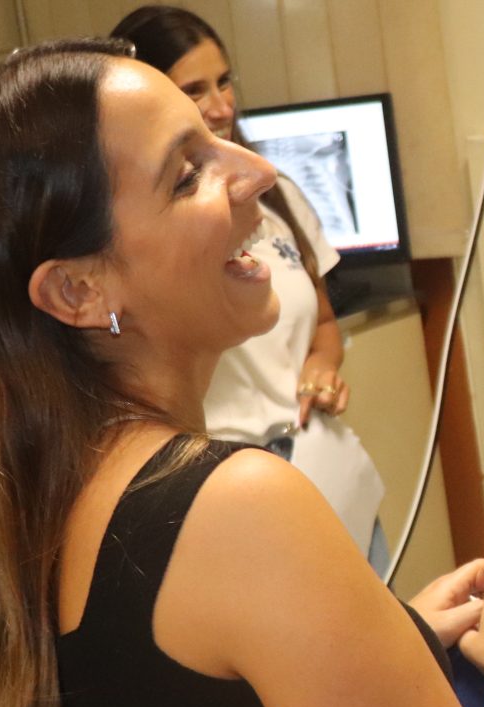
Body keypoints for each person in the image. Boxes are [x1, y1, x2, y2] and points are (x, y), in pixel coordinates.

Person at [0, 40, 484, 707]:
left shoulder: (5, 533)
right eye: (187, 175)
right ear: (79, 290)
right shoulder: (238, 508)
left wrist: (392, 639)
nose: (259, 172)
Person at [111, 6, 390, 566]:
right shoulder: (146, 237)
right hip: (233, 492)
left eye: (224, 81)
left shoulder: (278, 192)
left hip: (328, 472)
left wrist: (321, 367)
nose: (221, 106)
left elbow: (322, 321)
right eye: (195, 90)